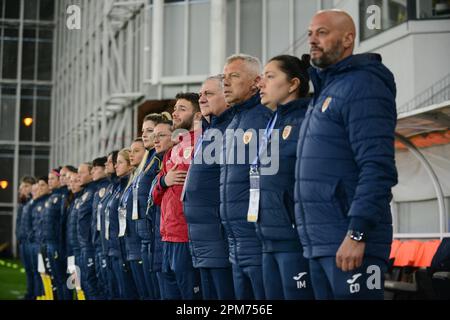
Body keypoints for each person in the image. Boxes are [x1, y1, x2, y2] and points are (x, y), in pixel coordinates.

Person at [294, 9, 398, 300]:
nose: (313, 40)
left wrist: (357, 234)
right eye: (310, 33)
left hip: (349, 242)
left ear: (348, 38)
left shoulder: (364, 85)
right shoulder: (327, 91)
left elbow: (377, 167)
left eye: (322, 33)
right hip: (321, 242)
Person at [254, 54, 315, 300]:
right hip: (267, 237)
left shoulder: (305, 122)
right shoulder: (274, 124)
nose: (262, 84)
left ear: (293, 84)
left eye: (270, 76)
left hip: (293, 238)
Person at [220, 54, 272, 299]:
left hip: (257, 240)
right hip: (235, 243)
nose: (226, 83)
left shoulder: (264, 118)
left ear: (256, 82)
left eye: (234, 76)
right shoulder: (232, 124)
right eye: (224, 77)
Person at [183, 76, 235, 299]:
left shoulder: (231, 130)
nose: (201, 98)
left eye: (209, 93)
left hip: (218, 235)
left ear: (227, 95)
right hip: (201, 237)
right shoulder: (209, 131)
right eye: (200, 94)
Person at [152, 92, 203, 300]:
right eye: (175, 108)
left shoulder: (201, 143)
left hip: (185, 235)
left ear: (197, 115)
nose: (175, 112)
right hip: (167, 235)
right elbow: (155, 196)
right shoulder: (173, 149)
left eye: (182, 108)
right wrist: (164, 181)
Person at [135, 113, 172, 299]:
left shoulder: (158, 159)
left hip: (156, 232)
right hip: (146, 234)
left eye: (151, 131)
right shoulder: (149, 161)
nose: (146, 135)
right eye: (144, 131)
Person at [147, 120, 175, 299]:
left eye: (161, 135)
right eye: (154, 136)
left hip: (173, 238)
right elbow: (154, 198)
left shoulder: (178, 160)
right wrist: (163, 181)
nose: (155, 140)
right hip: (159, 238)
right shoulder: (160, 166)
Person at [106, 148, 139, 299]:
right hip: (117, 249)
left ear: (130, 165)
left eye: (119, 162)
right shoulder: (118, 187)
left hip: (126, 250)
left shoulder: (129, 187)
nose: (115, 166)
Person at [41, 168, 72, 300]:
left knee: (63, 280)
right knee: (56, 280)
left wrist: (60, 246)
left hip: (57, 244)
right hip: (49, 243)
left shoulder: (63, 197)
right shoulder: (52, 197)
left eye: (52, 178)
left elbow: (61, 223)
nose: (50, 181)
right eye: (49, 179)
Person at [90, 157, 110, 299]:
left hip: (104, 246)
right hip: (96, 244)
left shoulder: (107, 188)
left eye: (96, 168)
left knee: (106, 287)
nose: (93, 171)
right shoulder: (96, 190)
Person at [29, 177, 51, 299]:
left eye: (42, 185)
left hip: (47, 245)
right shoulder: (40, 203)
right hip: (39, 243)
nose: (39, 190)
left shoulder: (50, 201)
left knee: (51, 277)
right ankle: (41, 297)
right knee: (41, 273)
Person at [17, 177, 37, 299]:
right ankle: (30, 293)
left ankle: (34, 294)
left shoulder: (34, 202)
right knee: (29, 271)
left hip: (32, 242)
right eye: (21, 187)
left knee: (35, 272)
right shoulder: (24, 203)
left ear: (31, 187)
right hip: (24, 241)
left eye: (25, 186)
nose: (21, 190)